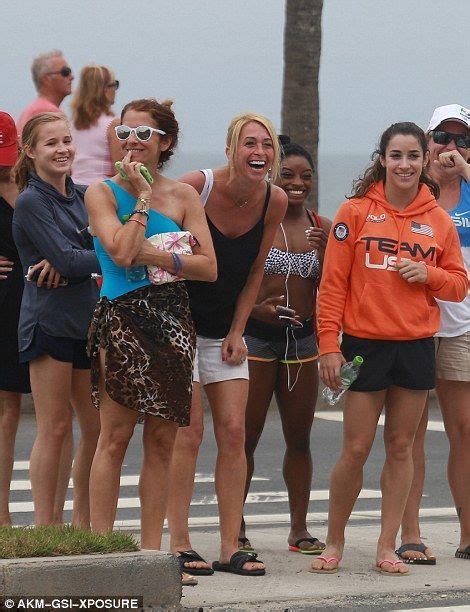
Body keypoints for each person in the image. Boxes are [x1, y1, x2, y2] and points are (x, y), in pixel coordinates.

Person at [310, 122, 467, 576]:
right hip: (363, 347)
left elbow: (458, 284)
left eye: (413, 156)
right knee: (356, 448)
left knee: (401, 447)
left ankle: (386, 545)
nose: (405, 165)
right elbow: (332, 285)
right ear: (382, 159)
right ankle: (334, 541)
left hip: (416, 346)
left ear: (424, 161)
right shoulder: (355, 212)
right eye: (396, 156)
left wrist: (429, 275)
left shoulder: (437, 219)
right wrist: (327, 346)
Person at [85, 99, 216, 571]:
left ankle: (151, 554)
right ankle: (101, 554)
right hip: (122, 317)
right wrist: (140, 199)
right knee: (114, 437)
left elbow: (209, 267)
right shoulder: (101, 192)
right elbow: (120, 253)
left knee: (164, 440)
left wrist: (160, 257)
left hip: (172, 320)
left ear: (165, 143)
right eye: (124, 134)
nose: (133, 143)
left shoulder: (183, 196)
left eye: (144, 134)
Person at [166, 112, 288, 578]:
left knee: (233, 434)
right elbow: (163, 240)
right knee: (189, 433)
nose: (259, 153)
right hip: (180, 326)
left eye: (267, 145)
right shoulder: (198, 186)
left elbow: (255, 271)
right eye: (249, 144)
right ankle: (179, 542)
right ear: (230, 149)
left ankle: (229, 544)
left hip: (225, 332)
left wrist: (239, 330)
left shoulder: (272, 199)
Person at [239, 136, 331, 554]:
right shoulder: (255, 221)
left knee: (300, 438)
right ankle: (234, 525)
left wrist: (327, 252)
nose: (297, 183)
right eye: (288, 175)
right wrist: (257, 311)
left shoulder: (321, 225)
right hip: (258, 339)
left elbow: (334, 286)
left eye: (306, 176)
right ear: (273, 176)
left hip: (302, 342)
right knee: (246, 437)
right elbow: (236, 281)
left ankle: (298, 529)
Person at [12, 112, 101, 528]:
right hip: (47, 323)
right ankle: (48, 527)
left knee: (96, 428)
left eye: (66, 140)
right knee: (56, 427)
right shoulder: (31, 200)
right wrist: (92, 256)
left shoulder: (86, 196)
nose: (63, 149)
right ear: (30, 151)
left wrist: (81, 258)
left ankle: (83, 524)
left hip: (88, 322)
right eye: (51, 143)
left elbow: (107, 245)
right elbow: (76, 256)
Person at [399, 104, 470, 564]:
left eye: (461, 140)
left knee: (464, 429)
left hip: (463, 326)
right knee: (411, 433)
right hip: (413, 323)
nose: (450, 148)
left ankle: (468, 534)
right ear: (426, 144)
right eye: (442, 139)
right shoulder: (410, 187)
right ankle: (410, 533)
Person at [0, 112, 31, 526]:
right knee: (4, 405)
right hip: (4, 303)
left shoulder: (34, 184)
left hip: (39, 300)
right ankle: (2, 513)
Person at [70, 64, 121, 185]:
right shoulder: (113, 124)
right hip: (101, 189)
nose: (115, 89)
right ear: (103, 89)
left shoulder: (72, 124)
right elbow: (119, 169)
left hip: (73, 188)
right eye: (114, 84)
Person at [17, 50, 73, 137]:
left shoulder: (35, 109)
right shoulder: (48, 113)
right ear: (46, 79)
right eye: (65, 72)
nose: (71, 77)